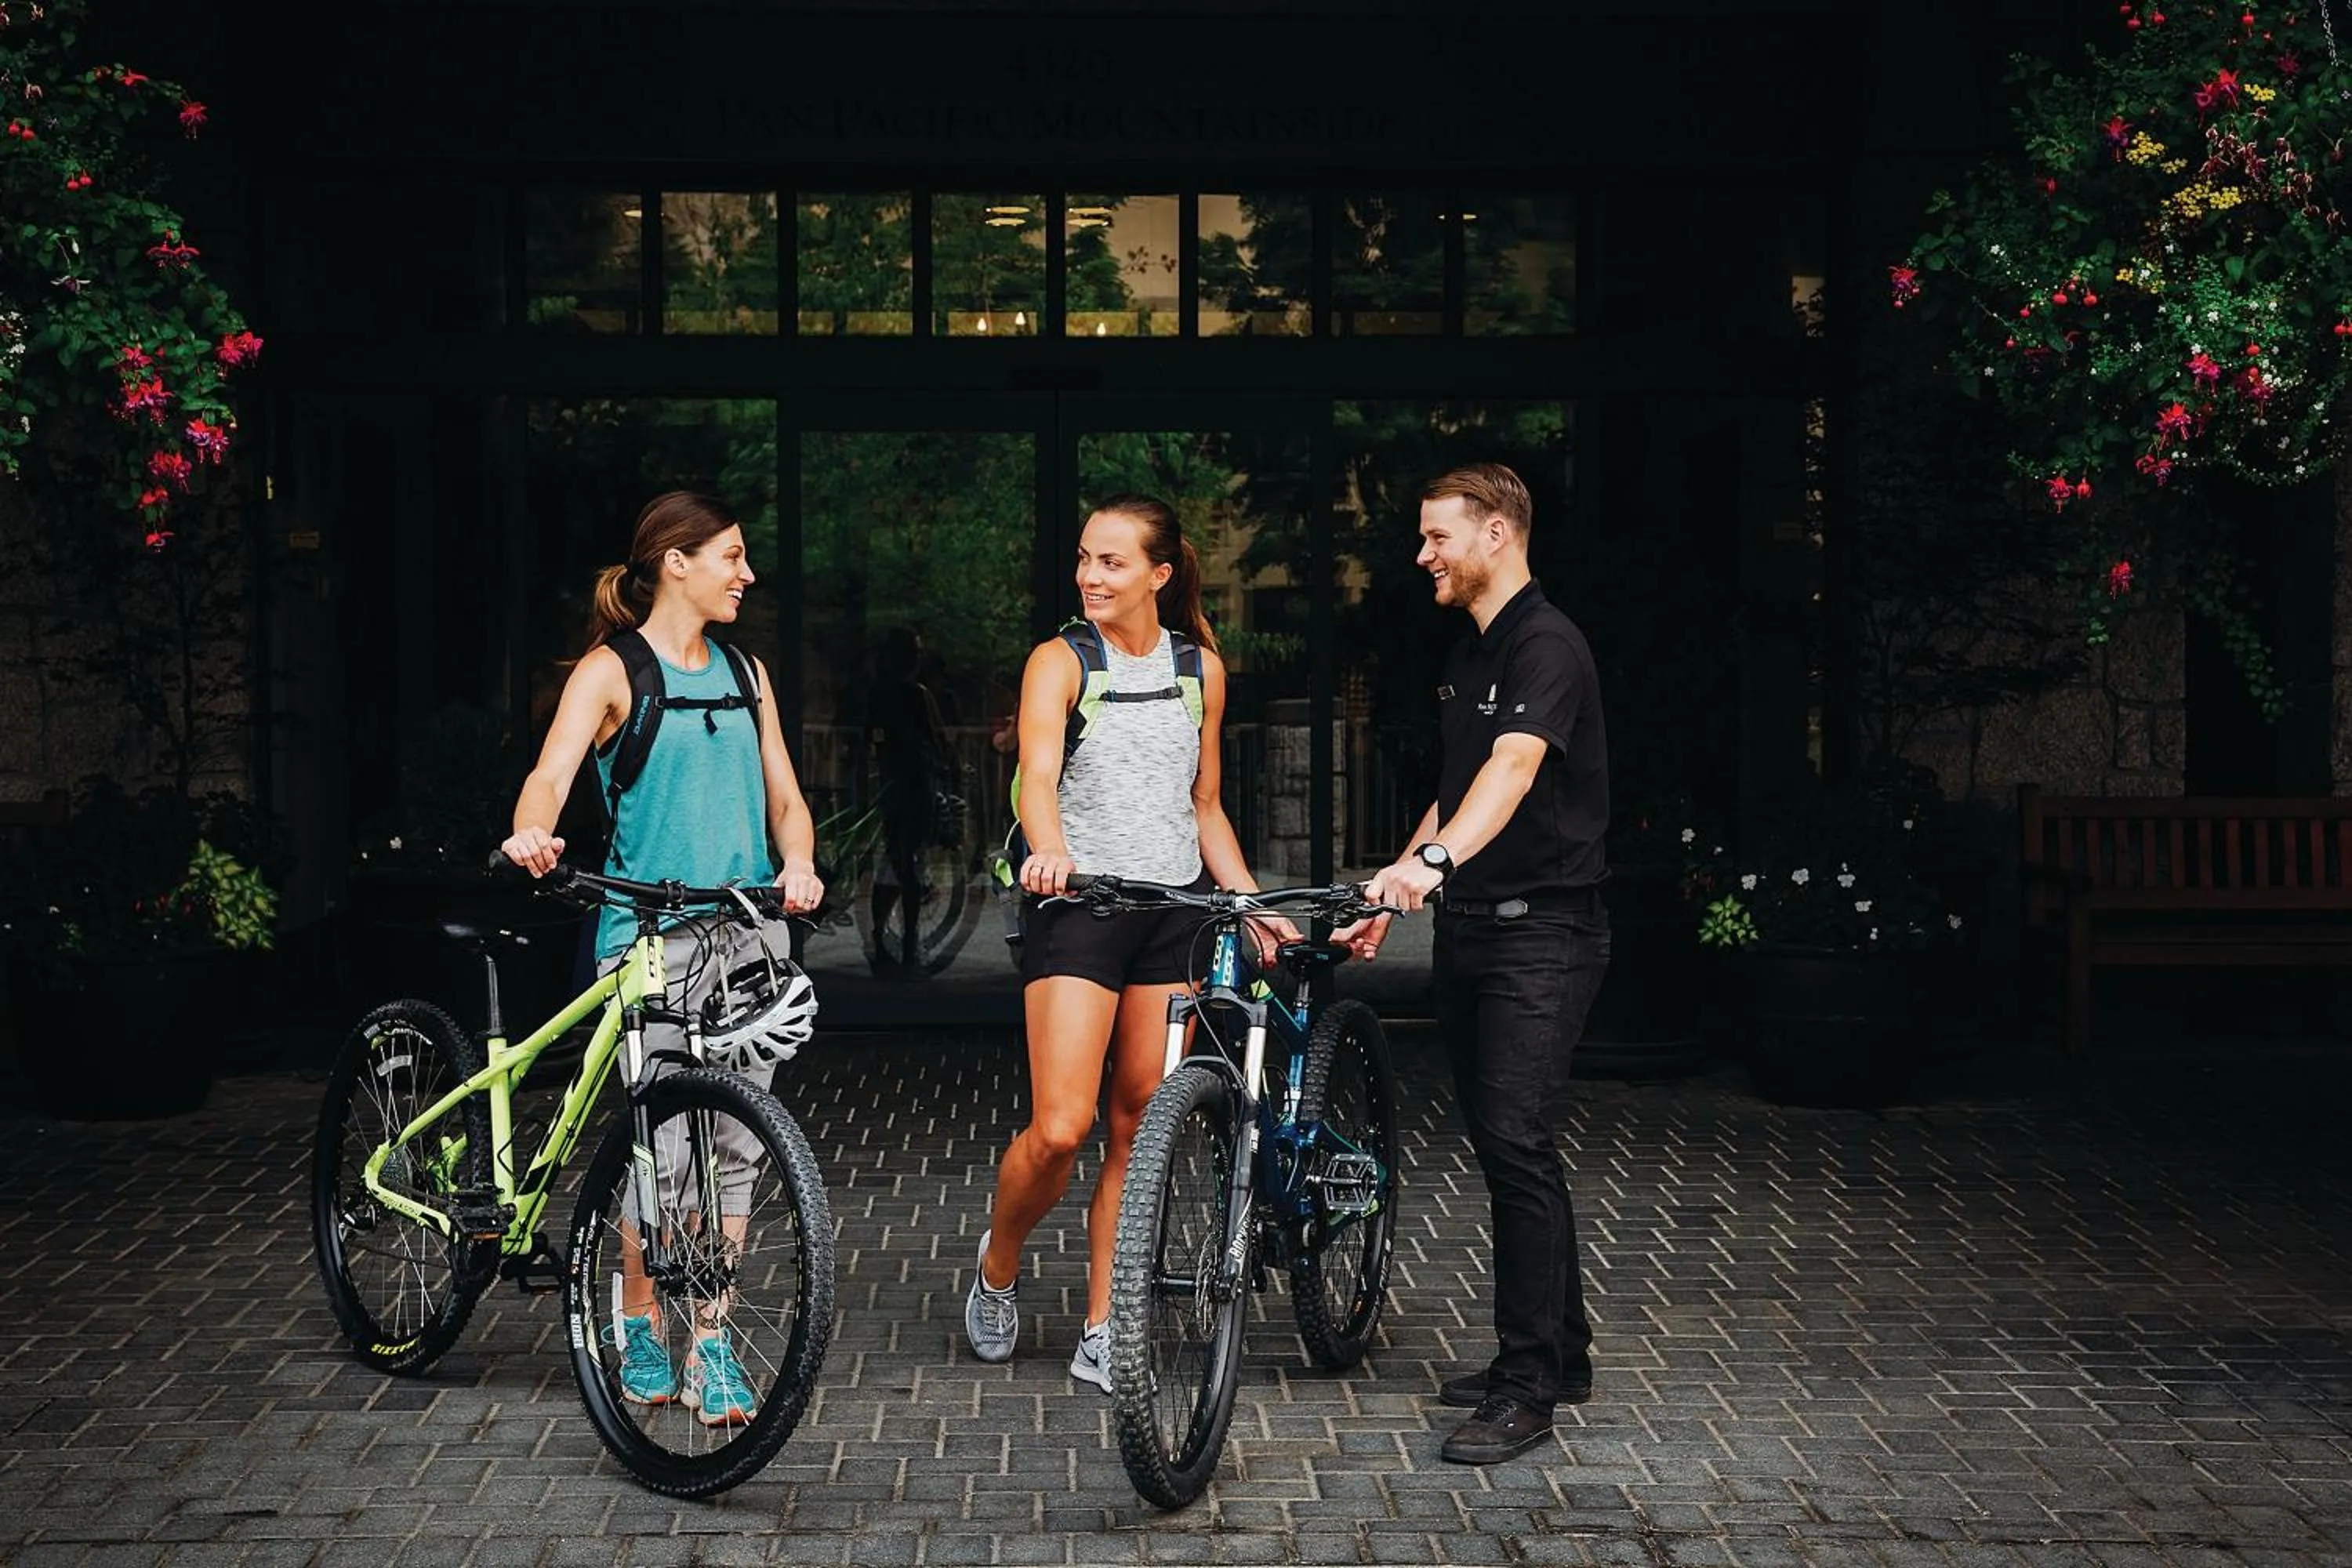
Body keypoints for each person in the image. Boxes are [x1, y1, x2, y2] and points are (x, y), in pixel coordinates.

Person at [500, 489, 826, 1425]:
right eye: (731, 555)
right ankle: (638, 1314)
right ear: (675, 562)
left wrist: (796, 862)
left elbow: (788, 802)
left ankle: (712, 1341)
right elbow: (550, 776)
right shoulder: (612, 671)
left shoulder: (746, 672)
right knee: (662, 1151)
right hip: (648, 937)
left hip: (748, 934)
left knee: (733, 1145)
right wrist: (533, 833)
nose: (747, 573)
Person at [965, 492, 1297, 1392]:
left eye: (1110, 561)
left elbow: (1203, 803)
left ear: (1159, 572)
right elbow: (1037, 776)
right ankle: (998, 1267)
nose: (1089, 575)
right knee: (1060, 1126)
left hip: (1175, 913)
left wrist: (1250, 900)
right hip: (1078, 907)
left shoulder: (1202, 671)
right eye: (1084, 558)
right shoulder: (1061, 660)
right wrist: (1053, 852)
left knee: (1137, 1123)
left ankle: (1105, 1325)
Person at [1338, 461, 1610, 1466]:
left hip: (1546, 930)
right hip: (1475, 928)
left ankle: (1528, 1384)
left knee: (1515, 1144)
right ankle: (1565, 1351)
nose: (1423, 556)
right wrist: (1399, 882)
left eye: (1437, 537)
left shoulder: (1548, 645)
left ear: (1496, 533)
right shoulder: (1475, 651)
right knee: (1512, 1143)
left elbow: (1514, 769)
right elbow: (1460, 790)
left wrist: (1437, 862)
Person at [866, 625, 951, 976]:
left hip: (892, 787)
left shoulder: (880, 693)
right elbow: (938, 739)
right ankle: (908, 944)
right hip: (913, 787)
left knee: (896, 862)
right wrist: (954, 773)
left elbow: (866, 739)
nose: (918, 658)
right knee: (909, 866)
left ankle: (885, 938)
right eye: (914, 651)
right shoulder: (915, 695)